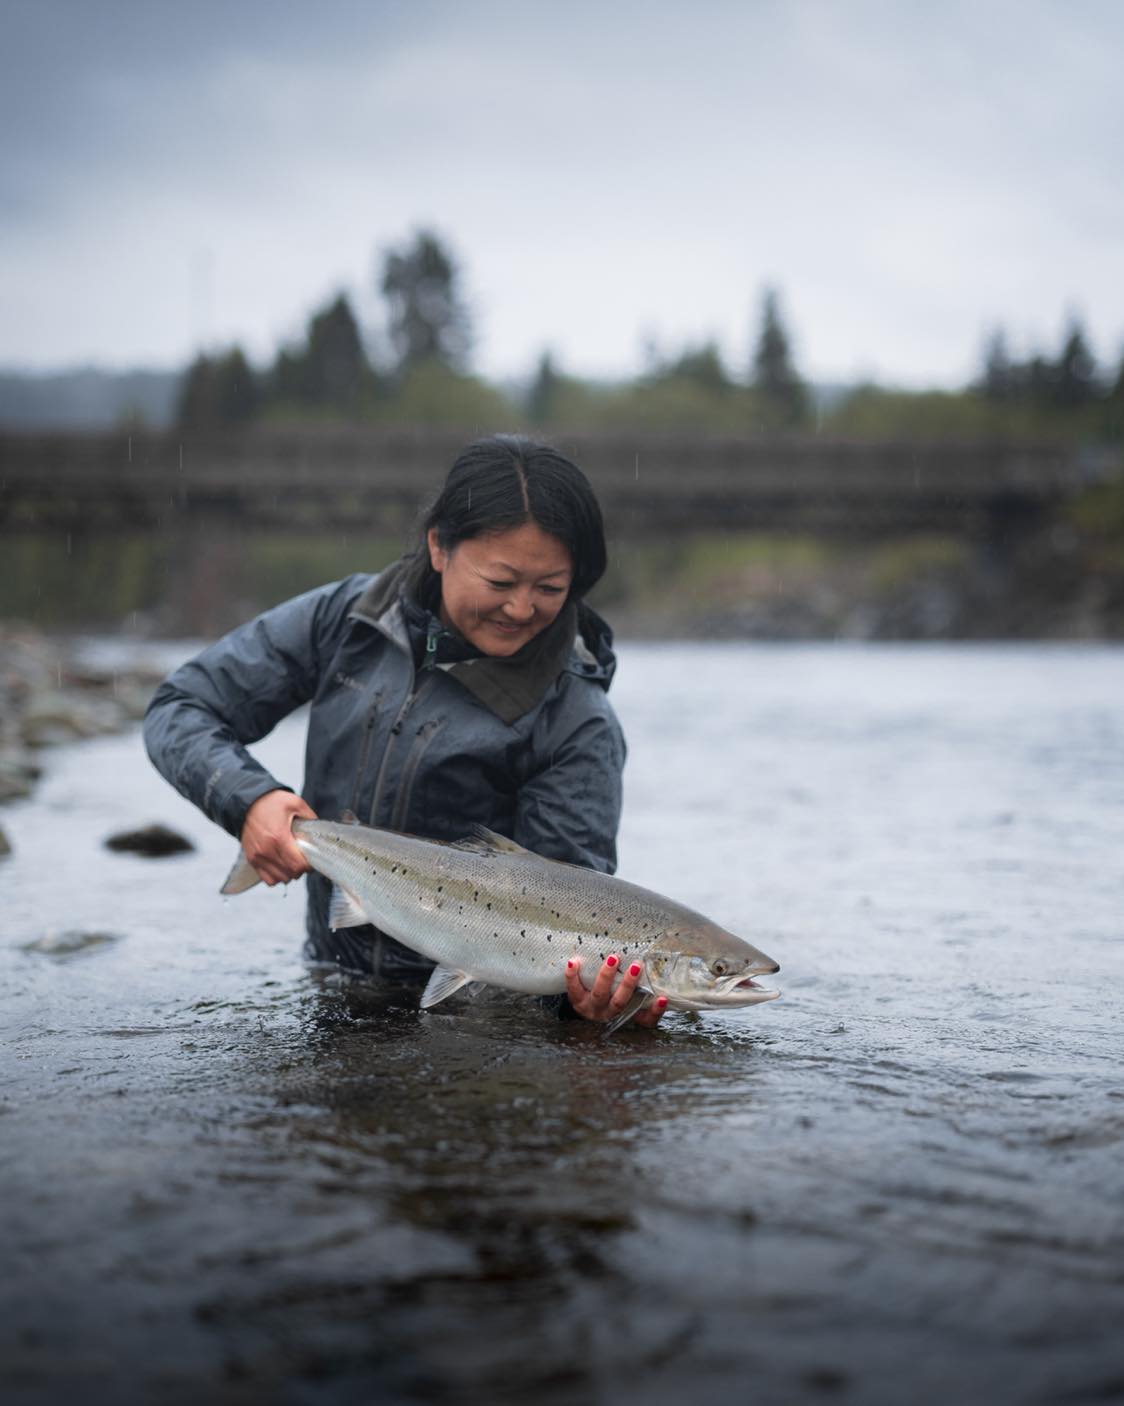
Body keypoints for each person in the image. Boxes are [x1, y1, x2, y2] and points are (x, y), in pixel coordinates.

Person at [144, 434, 665, 1027]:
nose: (521, 609)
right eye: (500, 583)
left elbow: (566, 921)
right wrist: (249, 800)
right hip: (326, 982)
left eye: (549, 589)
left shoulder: (577, 723)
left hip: (472, 1026)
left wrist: (592, 1007)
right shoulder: (347, 620)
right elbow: (180, 706)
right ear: (438, 547)